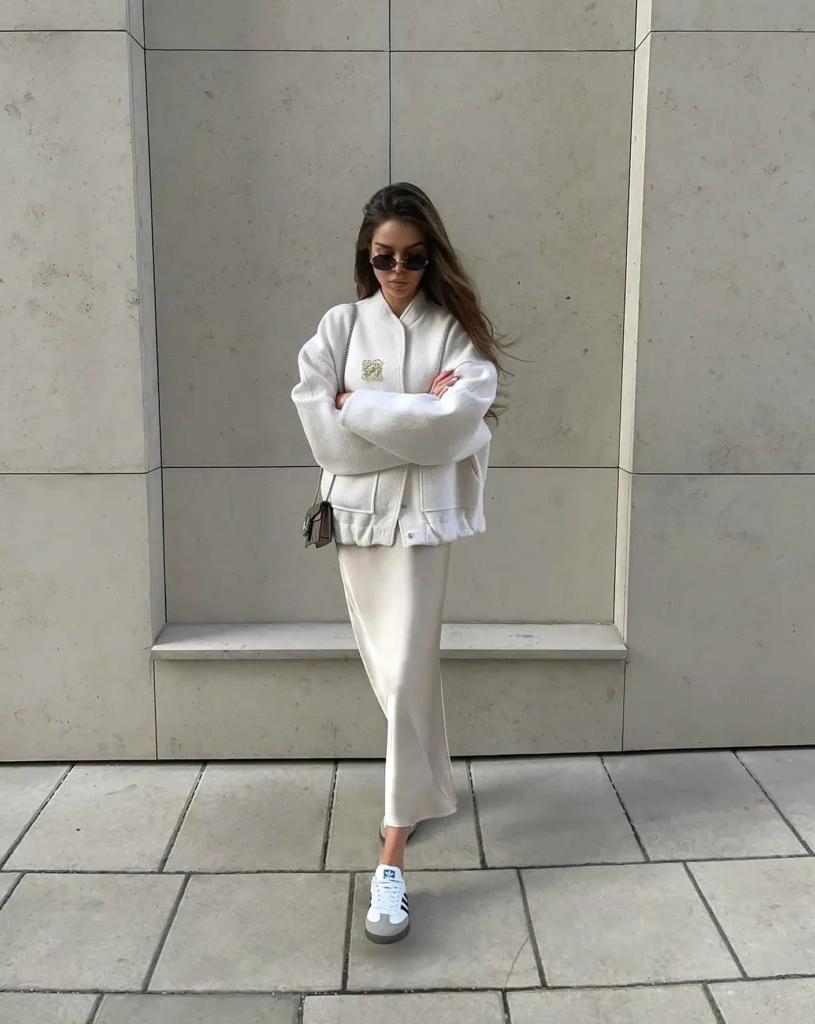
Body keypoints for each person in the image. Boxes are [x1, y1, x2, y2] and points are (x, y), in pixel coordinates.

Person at [291, 182, 503, 944]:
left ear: (431, 256)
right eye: (385, 258)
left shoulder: (453, 333)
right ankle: (433, 788)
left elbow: (456, 424)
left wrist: (362, 408)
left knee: (407, 670)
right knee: (393, 673)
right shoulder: (339, 325)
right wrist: (410, 418)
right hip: (355, 527)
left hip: (420, 532)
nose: (400, 270)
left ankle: (391, 854)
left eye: (414, 257)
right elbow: (323, 433)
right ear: (366, 257)